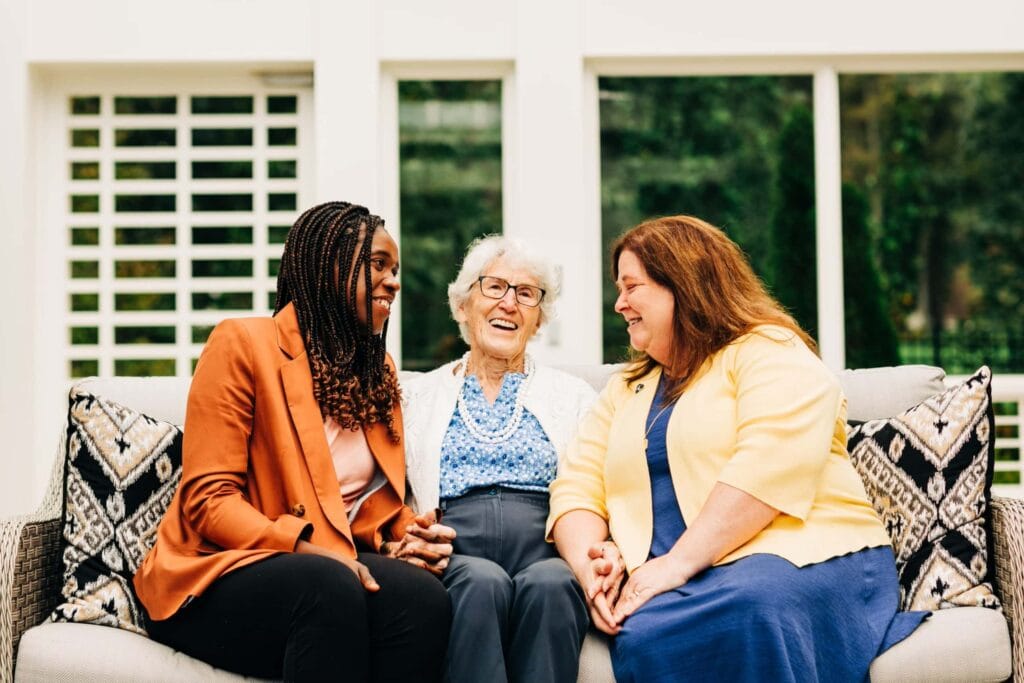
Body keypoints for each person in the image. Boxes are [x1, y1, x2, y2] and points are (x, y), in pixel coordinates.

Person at [547, 215, 928, 682]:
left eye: (631, 287)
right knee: (642, 630)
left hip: (797, 558)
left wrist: (676, 565)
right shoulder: (626, 389)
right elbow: (577, 486)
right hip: (678, 578)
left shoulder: (769, 350)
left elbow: (769, 463)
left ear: (682, 286)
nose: (620, 304)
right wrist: (593, 566)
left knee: (752, 606)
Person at [134, 201, 453, 683]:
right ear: (329, 267)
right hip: (217, 573)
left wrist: (404, 535)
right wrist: (306, 549)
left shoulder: (376, 372)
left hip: (325, 571)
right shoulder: (242, 344)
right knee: (328, 586)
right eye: (378, 265)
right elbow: (209, 502)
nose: (395, 282)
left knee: (423, 600)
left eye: (397, 270)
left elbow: (357, 508)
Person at [402, 235, 595, 683]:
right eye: (494, 287)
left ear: (538, 318)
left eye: (526, 294)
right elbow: (392, 488)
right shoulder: (416, 396)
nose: (510, 303)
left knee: (553, 585)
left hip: (544, 544)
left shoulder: (574, 397)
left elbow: (594, 486)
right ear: (464, 304)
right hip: (456, 548)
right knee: (481, 583)